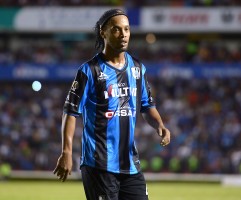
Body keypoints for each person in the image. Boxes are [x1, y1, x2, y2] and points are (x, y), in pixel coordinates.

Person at [53, 8, 171, 200]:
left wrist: (160, 125)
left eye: (127, 29)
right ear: (103, 32)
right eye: (116, 29)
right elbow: (71, 111)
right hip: (99, 165)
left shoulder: (137, 69)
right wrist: (66, 151)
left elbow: (147, 106)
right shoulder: (89, 71)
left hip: (130, 165)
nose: (123, 34)